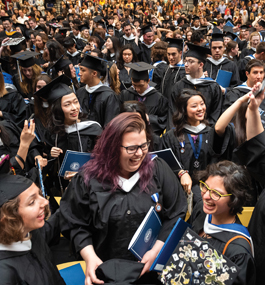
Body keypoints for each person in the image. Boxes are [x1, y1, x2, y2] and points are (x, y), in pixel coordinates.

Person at [60, 112, 187, 285]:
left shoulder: (158, 169)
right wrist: (89, 257)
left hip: (151, 268)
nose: (140, 153)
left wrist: (157, 249)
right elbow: (75, 222)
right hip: (107, 270)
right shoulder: (88, 179)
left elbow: (176, 211)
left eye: (144, 145)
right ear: (112, 147)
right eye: (131, 148)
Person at [190, 160, 256, 285]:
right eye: (205, 186)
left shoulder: (237, 251)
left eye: (216, 193)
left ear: (234, 199)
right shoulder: (202, 211)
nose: (205, 196)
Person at [0, 174, 66, 285]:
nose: (45, 202)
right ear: (8, 218)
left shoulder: (29, 232)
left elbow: (49, 228)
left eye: (39, 194)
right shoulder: (5, 274)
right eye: (32, 202)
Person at [168, 43, 222, 129]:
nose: (186, 64)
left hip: (206, 133)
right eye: (185, 61)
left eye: (191, 61)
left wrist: (205, 131)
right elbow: (173, 112)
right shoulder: (178, 86)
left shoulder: (213, 87)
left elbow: (216, 113)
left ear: (201, 65)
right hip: (182, 132)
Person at [119, 62, 168, 136]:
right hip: (128, 133)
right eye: (134, 85)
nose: (138, 89)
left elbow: (164, 119)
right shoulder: (125, 94)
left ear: (148, 81)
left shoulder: (158, 98)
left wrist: (149, 119)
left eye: (141, 85)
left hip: (149, 135)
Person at [76, 54, 120, 127]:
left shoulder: (109, 96)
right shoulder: (80, 92)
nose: (79, 73)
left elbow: (110, 126)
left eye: (83, 70)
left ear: (94, 73)